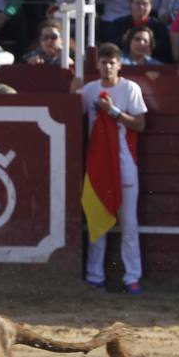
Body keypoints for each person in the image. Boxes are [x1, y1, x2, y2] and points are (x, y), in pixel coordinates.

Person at [73, 42, 146, 294]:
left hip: (125, 164)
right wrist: (72, 91)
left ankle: (132, 276)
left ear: (119, 64)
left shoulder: (130, 89)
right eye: (103, 62)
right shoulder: (90, 90)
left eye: (111, 62)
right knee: (97, 219)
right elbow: (71, 111)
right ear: (98, 65)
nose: (107, 66)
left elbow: (139, 124)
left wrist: (114, 112)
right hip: (99, 166)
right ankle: (95, 276)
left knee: (129, 224)